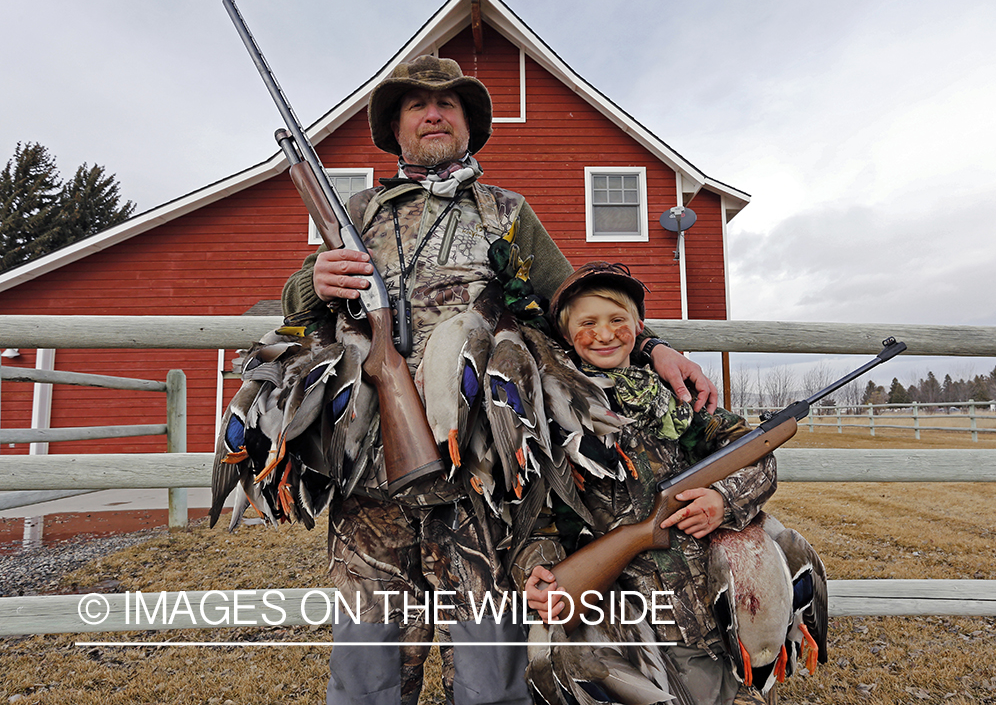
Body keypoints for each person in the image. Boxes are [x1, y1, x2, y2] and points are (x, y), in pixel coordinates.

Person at [280, 56, 720, 705]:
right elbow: (293, 307)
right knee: (366, 677)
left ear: (467, 123)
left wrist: (651, 347)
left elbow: (571, 310)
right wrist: (312, 284)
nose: (434, 113)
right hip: (370, 486)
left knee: (489, 681)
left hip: (480, 484)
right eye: (416, 105)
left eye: (448, 104)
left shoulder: (504, 213)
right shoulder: (359, 212)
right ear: (395, 128)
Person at [518, 262, 778, 705]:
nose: (605, 334)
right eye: (588, 323)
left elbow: (758, 456)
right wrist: (535, 568)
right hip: (615, 619)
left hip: (699, 609)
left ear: (639, 328)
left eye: (618, 320)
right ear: (565, 335)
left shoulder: (677, 397)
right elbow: (533, 515)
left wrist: (722, 499)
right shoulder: (551, 411)